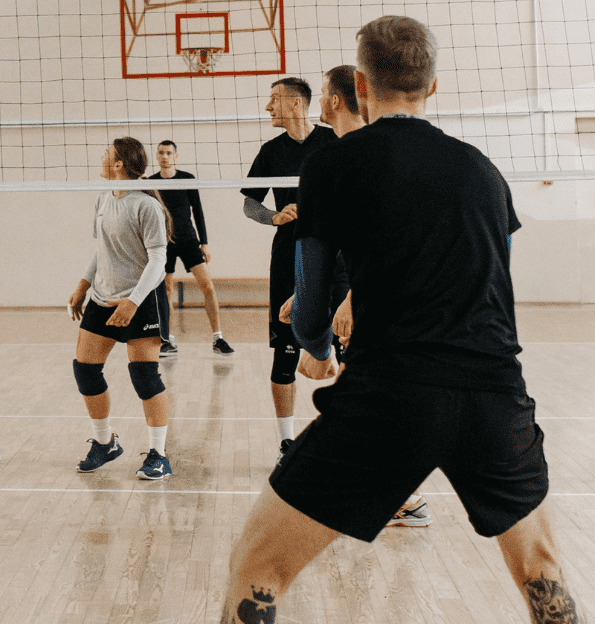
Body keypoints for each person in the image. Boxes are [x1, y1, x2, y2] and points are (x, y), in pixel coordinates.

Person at [177, 16, 595, 624]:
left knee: (255, 572)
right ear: (434, 86)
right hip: (492, 393)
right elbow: (492, 290)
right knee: (542, 572)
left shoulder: (333, 166)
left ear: (358, 86)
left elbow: (307, 315)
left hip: (389, 397)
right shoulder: (483, 173)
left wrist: (320, 348)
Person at [278, 64, 432, 529]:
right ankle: (382, 491)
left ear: (337, 101)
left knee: (376, 397)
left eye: (323, 92)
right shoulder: (342, 156)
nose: (318, 99)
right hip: (354, 292)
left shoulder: (367, 157)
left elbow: (392, 243)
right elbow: (339, 243)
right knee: (361, 394)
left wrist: (344, 305)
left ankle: (404, 498)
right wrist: (307, 292)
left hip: (374, 299)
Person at [241, 77, 337, 462]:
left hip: (336, 257)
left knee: (346, 349)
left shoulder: (334, 142)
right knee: (285, 351)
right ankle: (287, 442)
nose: (268, 107)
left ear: (297, 104)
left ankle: (342, 435)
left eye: (274, 100)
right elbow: (250, 204)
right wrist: (274, 216)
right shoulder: (270, 151)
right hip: (287, 258)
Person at [69, 137, 174, 480]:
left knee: (144, 376)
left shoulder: (146, 206)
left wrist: (133, 301)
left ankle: (159, 454)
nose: (101, 156)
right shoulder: (104, 197)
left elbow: (159, 258)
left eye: (105, 153)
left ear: (118, 164)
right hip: (103, 296)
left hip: (142, 300)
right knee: (85, 369)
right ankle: (105, 443)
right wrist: (83, 285)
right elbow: (102, 250)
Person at [147, 141, 234, 356]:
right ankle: (167, 339)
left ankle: (218, 338)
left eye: (169, 153)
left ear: (176, 156)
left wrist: (204, 242)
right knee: (166, 289)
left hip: (188, 240)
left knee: (208, 286)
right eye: (161, 153)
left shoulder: (187, 179)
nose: (165, 156)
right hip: (162, 242)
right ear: (157, 156)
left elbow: (198, 211)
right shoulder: (150, 183)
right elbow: (147, 216)